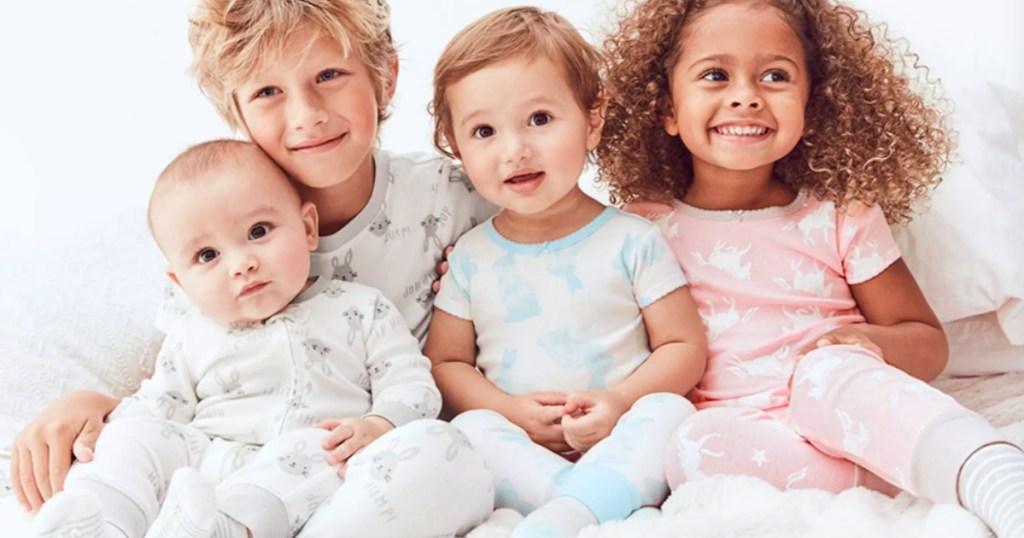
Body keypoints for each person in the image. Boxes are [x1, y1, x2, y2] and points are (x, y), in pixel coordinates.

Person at [11, 0, 497, 514]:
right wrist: (98, 408)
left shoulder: (454, 196)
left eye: (329, 74)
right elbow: (189, 381)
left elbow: (551, 254)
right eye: (268, 91)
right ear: (235, 111)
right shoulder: (211, 234)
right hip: (242, 467)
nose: (307, 114)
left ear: (386, 76)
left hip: (360, 460)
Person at [598, 1, 1024, 537]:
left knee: (826, 374)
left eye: (775, 75)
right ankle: (897, 474)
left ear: (812, 105)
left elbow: (925, 340)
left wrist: (865, 342)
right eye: (714, 75)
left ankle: (988, 469)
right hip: (749, 431)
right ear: (665, 108)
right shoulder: (636, 232)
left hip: (848, 398)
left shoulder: (838, 215)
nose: (746, 95)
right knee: (688, 446)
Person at [31, 140, 492, 538]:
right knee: (134, 435)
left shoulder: (359, 307)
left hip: (296, 467)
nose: (241, 263)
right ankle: (104, 520)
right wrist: (109, 423)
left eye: (258, 232)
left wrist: (378, 425)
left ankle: (231, 531)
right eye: (207, 255)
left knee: (319, 450)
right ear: (179, 281)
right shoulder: (193, 333)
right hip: (205, 457)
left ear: (307, 228)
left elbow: (410, 381)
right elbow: (159, 406)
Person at [424, 7, 708, 538]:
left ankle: (572, 511)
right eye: (484, 131)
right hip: (522, 448)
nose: (516, 149)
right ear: (455, 147)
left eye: (540, 119)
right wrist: (507, 411)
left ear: (591, 121)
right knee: (469, 429)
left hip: (621, 433)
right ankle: (586, 506)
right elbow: (445, 362)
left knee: (670, 411)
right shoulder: (469, 257)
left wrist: (620, 403)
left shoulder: (632, 240)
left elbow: (683, 346)